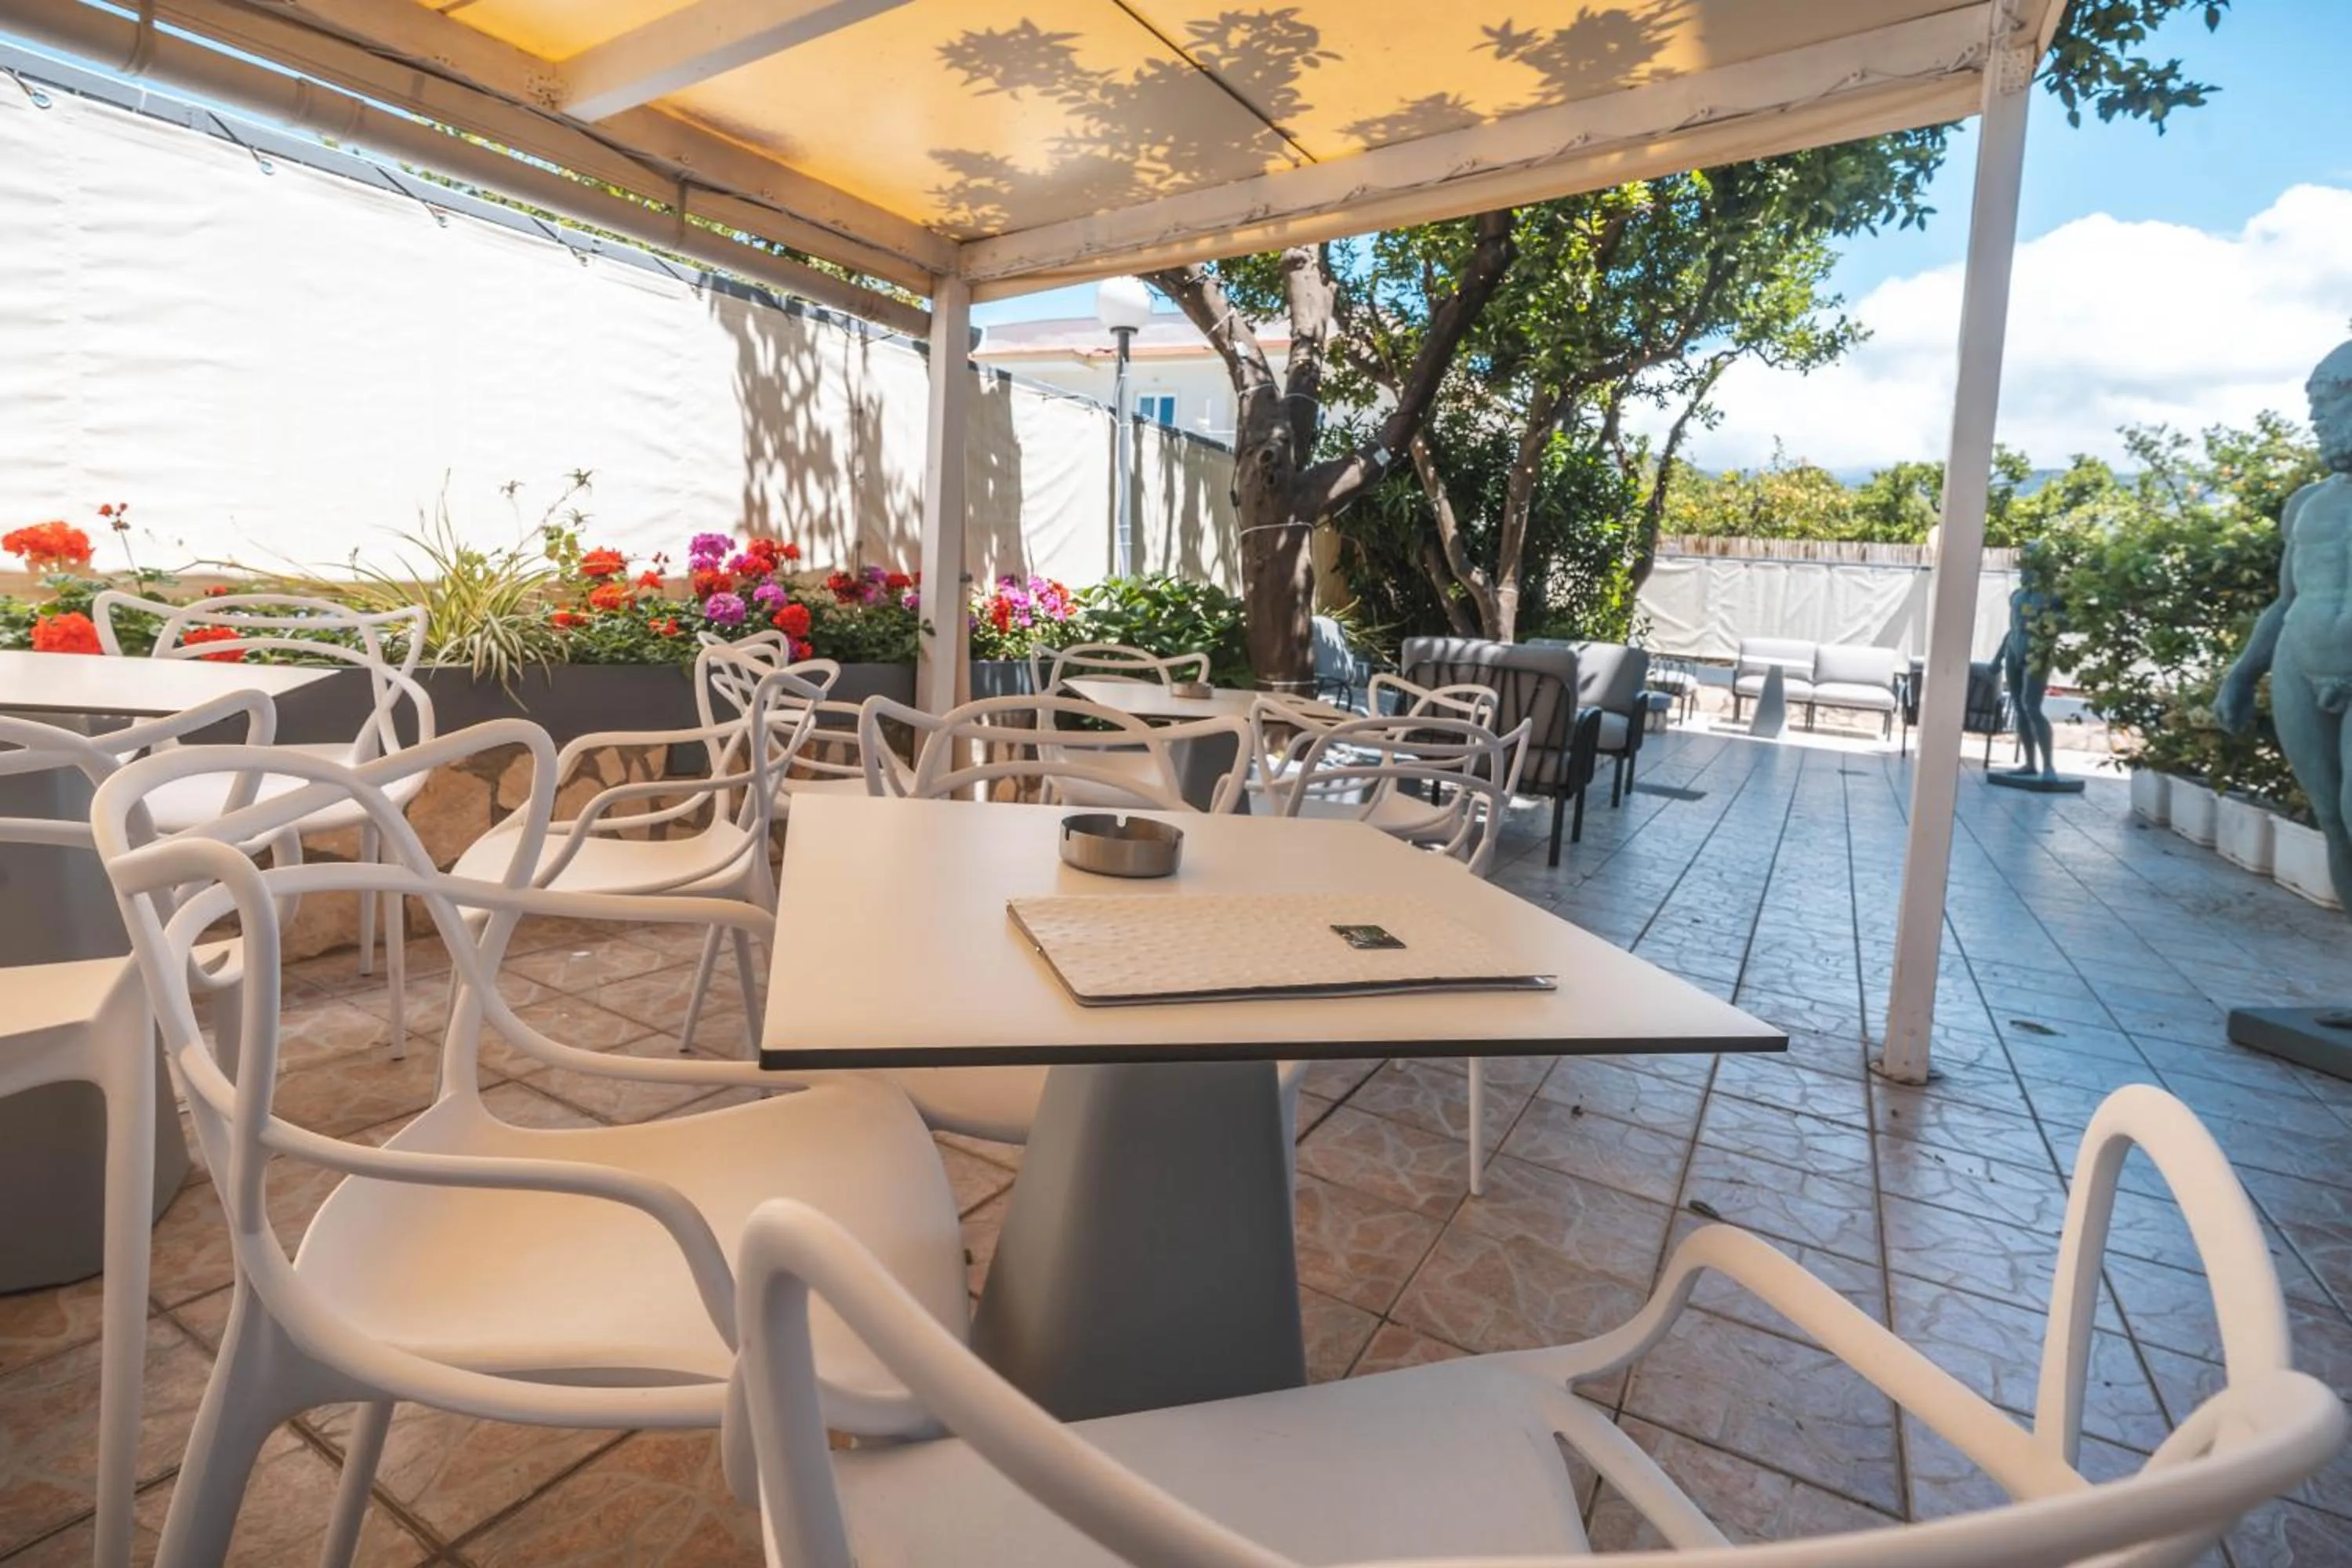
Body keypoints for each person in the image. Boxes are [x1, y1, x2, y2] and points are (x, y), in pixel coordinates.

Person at [2216, 341, 2352, 911]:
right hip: (2299, 661)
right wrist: (2240, 676)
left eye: (2331, 404)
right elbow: (2283, 601)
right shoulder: (2307, 503)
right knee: (2331, 818)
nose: (2317, 420)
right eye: (2314, 407)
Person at [2000, 544, 2060, 779]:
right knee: (2019, 708)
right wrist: (1998, 658)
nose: (2024, 571)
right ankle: (2030, 763)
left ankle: (2048, 766)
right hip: (2013, 653)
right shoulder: (2017, 596)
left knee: (2032, 706)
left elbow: (2071, 619)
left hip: (2038, 654)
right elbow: (2012, 629)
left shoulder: (2051, 596)